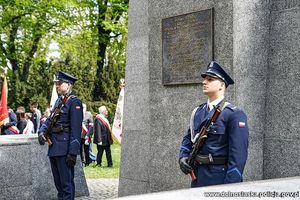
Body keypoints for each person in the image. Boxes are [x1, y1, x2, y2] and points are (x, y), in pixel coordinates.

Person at [179, 61, 249, 187]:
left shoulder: (234, 114)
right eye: (205, 79)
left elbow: (238, 156)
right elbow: (187, 139)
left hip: (219, 179)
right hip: (198, 177)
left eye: (210, 79)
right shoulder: (197, 112)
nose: (204, 82)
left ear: (221, 85)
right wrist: (183, 157)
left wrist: (230, 187)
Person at [38, 71, 83, 200]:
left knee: (66, 186)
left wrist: (72, 153)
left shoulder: (74, 102)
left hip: (65, 150)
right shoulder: (59, 102)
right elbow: (48, 120)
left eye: (59, 83)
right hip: (54, 148)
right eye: (57, 83)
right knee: (59, 186)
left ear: (68, 85)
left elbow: (76, 129)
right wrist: (41, 132)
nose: (57, 86)